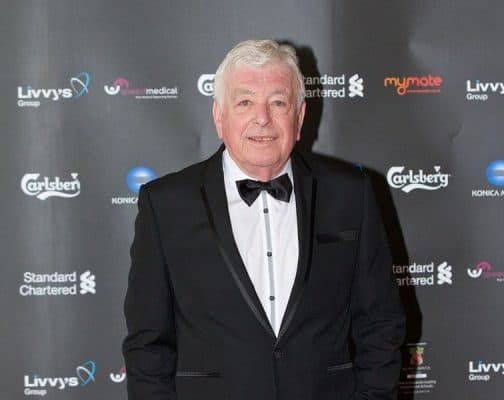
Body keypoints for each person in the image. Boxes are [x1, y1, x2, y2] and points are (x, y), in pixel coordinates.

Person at [123, 39, 405, 400]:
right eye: (245, 102)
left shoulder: (351, 193)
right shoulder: (165, 204)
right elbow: (148, 345)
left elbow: (380, 324)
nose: (262, 118)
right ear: (219, 116)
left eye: (278, 102)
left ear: (299, 117)